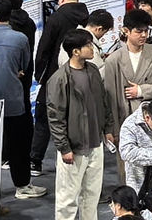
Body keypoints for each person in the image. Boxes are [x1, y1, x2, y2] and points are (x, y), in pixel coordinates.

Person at [48, 28, 116, 220]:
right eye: (87, 45)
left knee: (92, 196)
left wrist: (108, 129)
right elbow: (55, 117)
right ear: (75, 51)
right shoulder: (60, 79)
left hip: (96, 144)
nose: (92, 47)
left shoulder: (93, 70)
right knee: (68, 199)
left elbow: (103, 102)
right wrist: (64, 148)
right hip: (74, 148)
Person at [0, 0, 45, 199]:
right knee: (19, 146)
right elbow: (25, 64)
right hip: (14, 99)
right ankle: (23, 185)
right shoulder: (20, 38)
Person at [31, 0, 89, 173]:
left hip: (54, 76)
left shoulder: (56, 18)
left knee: (45, 117)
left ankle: (35, 161)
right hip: (80, 74)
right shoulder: (87, 16)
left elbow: (44, 48)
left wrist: (39, 75)